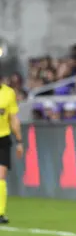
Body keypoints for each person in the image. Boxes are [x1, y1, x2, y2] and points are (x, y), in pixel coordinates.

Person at [0, 82, 23, 224]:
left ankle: (0, 212)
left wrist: (19, 141)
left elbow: (13, 118)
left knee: (1, 176)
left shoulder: (8, 93)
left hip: (2, 138)